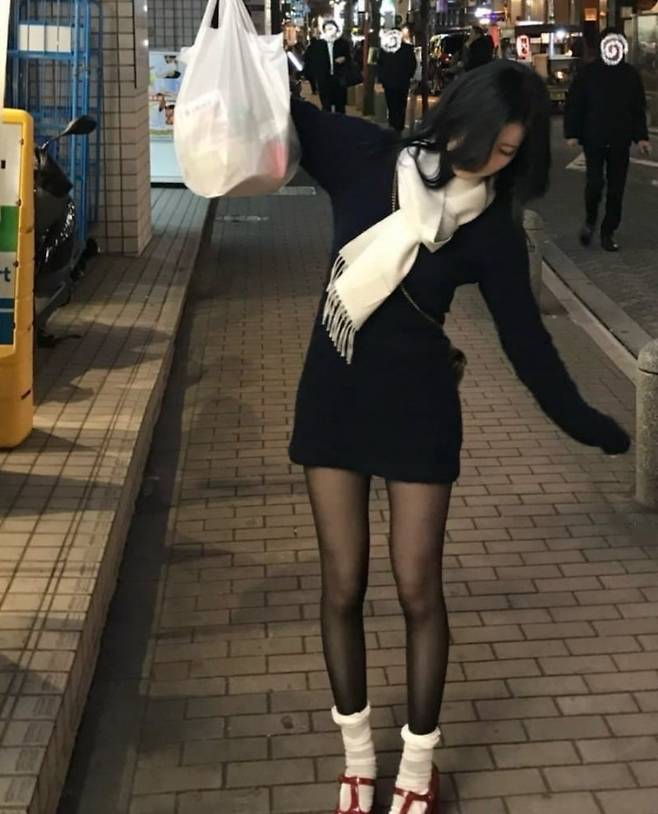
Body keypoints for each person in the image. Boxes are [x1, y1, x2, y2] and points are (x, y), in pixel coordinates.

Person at [288, 60, 630, 814]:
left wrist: (588, 423)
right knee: (343, 584)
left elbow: (528, 345)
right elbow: (275, 109)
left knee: (418, 589)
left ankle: (417, 767)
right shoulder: (363, 157)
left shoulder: (492, 229)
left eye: (510, 153)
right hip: (334, 397)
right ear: (456, 118)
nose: (491, 162)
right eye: (488, 143)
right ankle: (356, 763)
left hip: (420, 409)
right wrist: (241, 41)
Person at [565, 28, 651, 252]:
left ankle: (608, 231)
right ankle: (590, 220)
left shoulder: (630, 74)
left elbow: (637, 108)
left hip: (621, 138)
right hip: (594, 137)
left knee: (616, 188)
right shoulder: (588, 73)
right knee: (594, 183)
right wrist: (572, 132)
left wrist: (642, 137)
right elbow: (576, 104)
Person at [305, 20, 352, 113]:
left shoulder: (342, 44)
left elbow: (349, 60)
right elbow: (312, 61)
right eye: (327, 29)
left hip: (339, 79)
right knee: (326, 106)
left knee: (340, 106)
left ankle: (340, 121)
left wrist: (344, 60)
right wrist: (315, 76)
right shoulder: (318, 45)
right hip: (324, 80)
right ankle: (328, 121)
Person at [377, 29, 418, 132]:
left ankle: (395, 126)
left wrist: (383, 78)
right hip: (398, 82)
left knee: (395, 105)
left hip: (395, 82)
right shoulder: (404, 48)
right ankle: (397, 126)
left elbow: (380, 64)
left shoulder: (388, 48)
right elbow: (412, 64)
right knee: (397, 105)